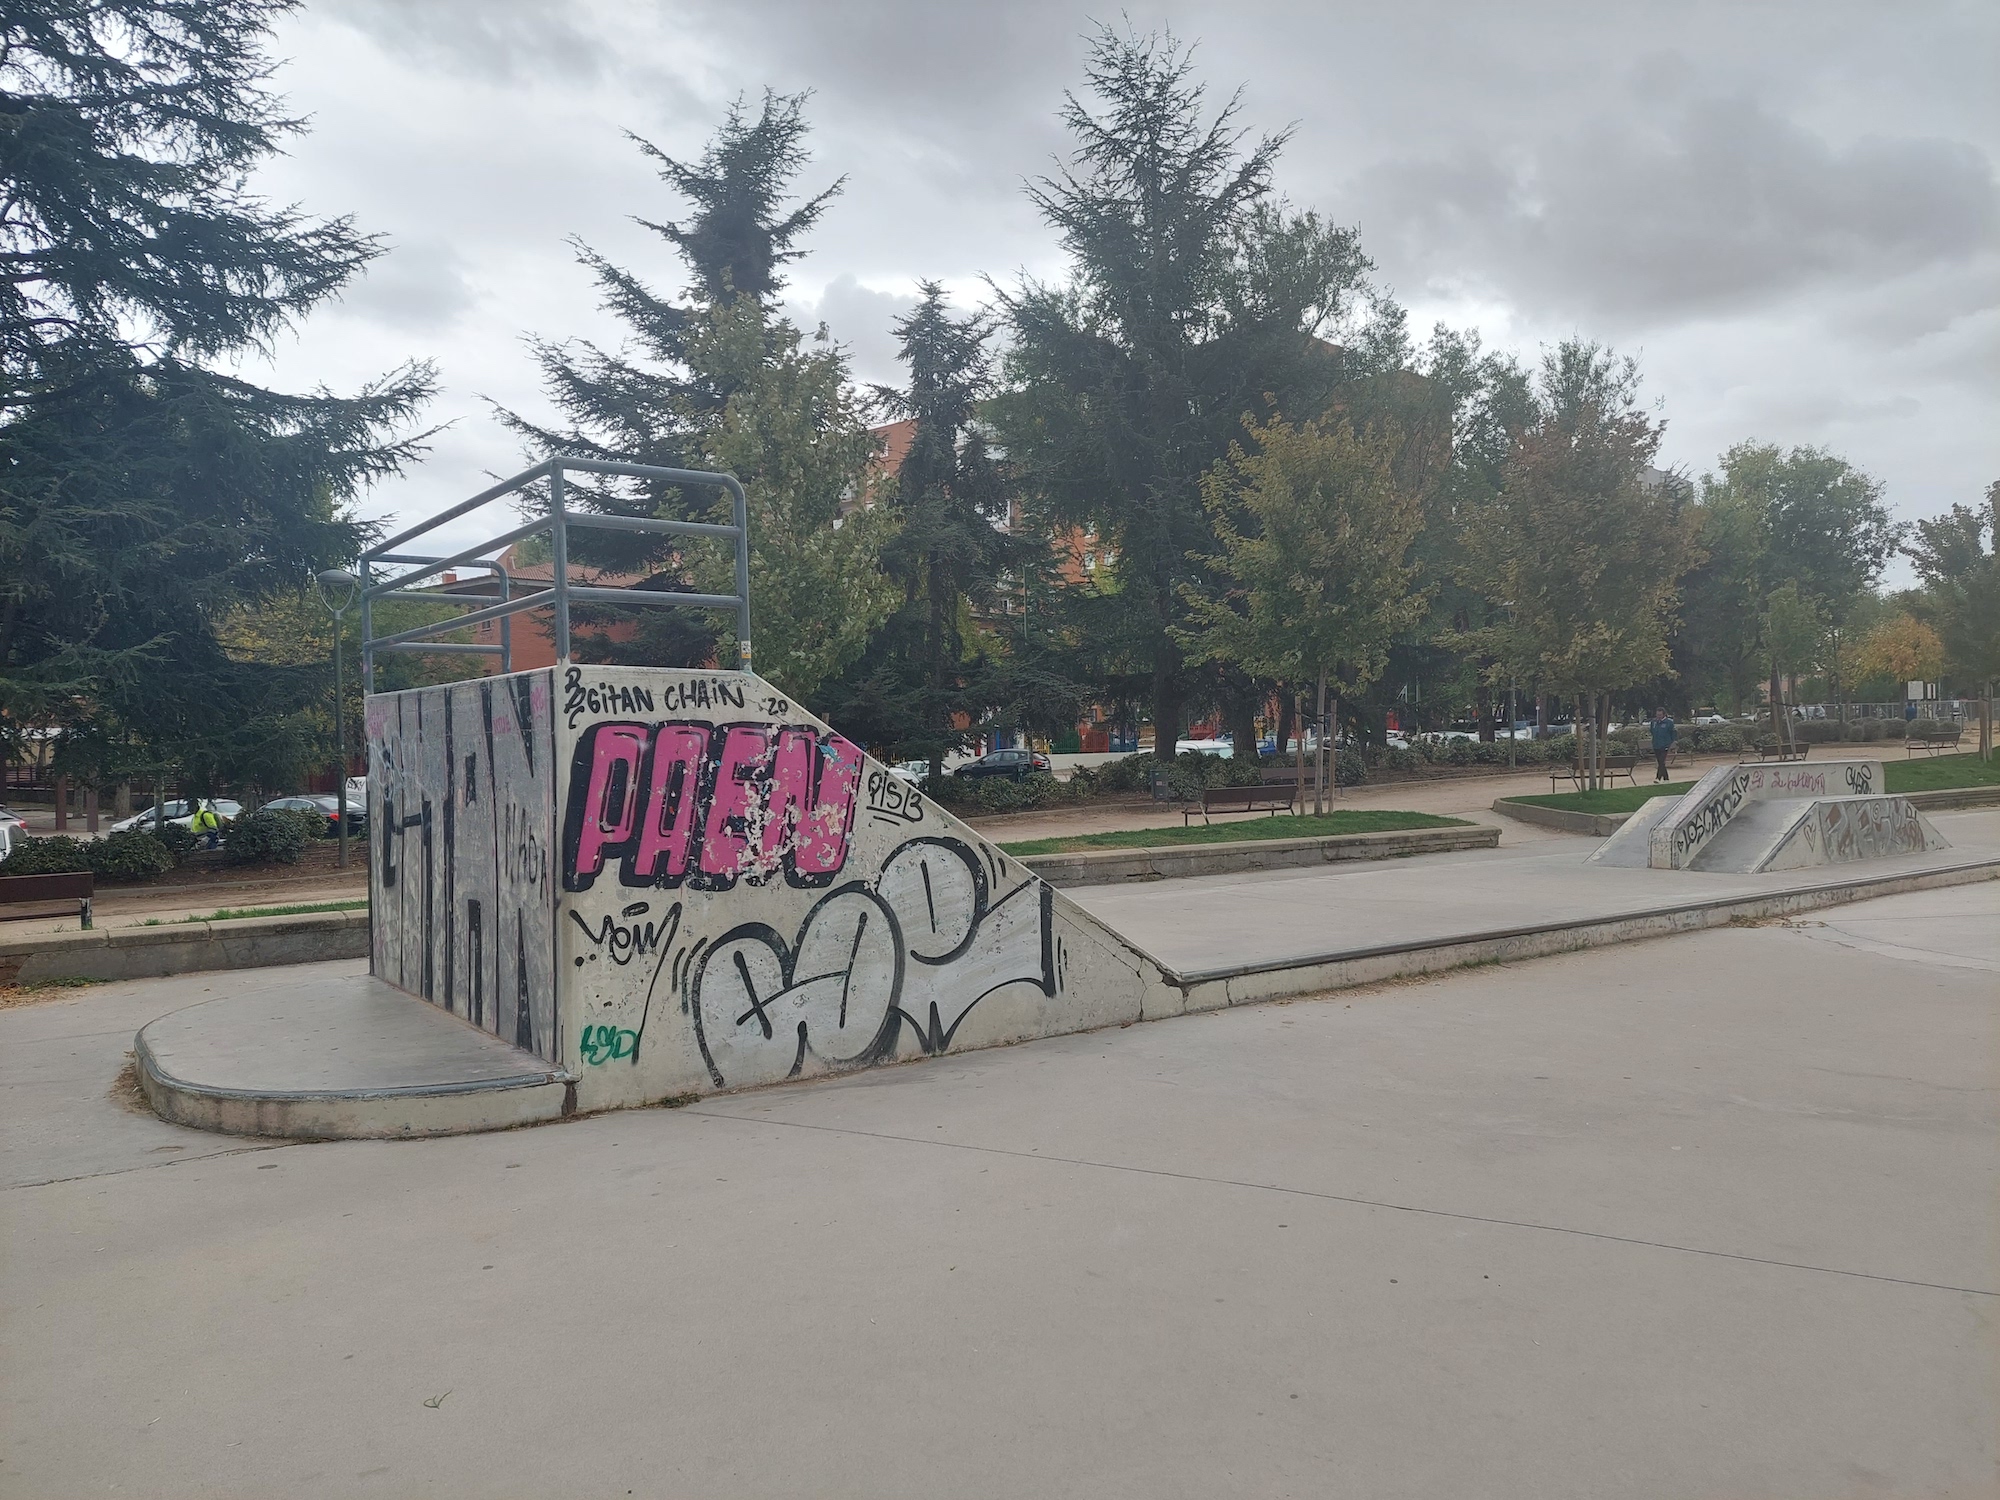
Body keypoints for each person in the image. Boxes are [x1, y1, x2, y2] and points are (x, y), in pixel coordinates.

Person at [1648, 708, 1678, 783]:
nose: (1658, 716)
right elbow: (1652, 731)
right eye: (1657, 714)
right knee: (1660, 762)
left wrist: (1670, 743)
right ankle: (1666, 778)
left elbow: (1673, 733)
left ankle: (1658, 778)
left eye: (1660, 715)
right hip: (1656, 744)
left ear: (1664, 714)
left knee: (1661, 761)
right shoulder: (1654, 722)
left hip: (1665, 745)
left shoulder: (1669, 722)